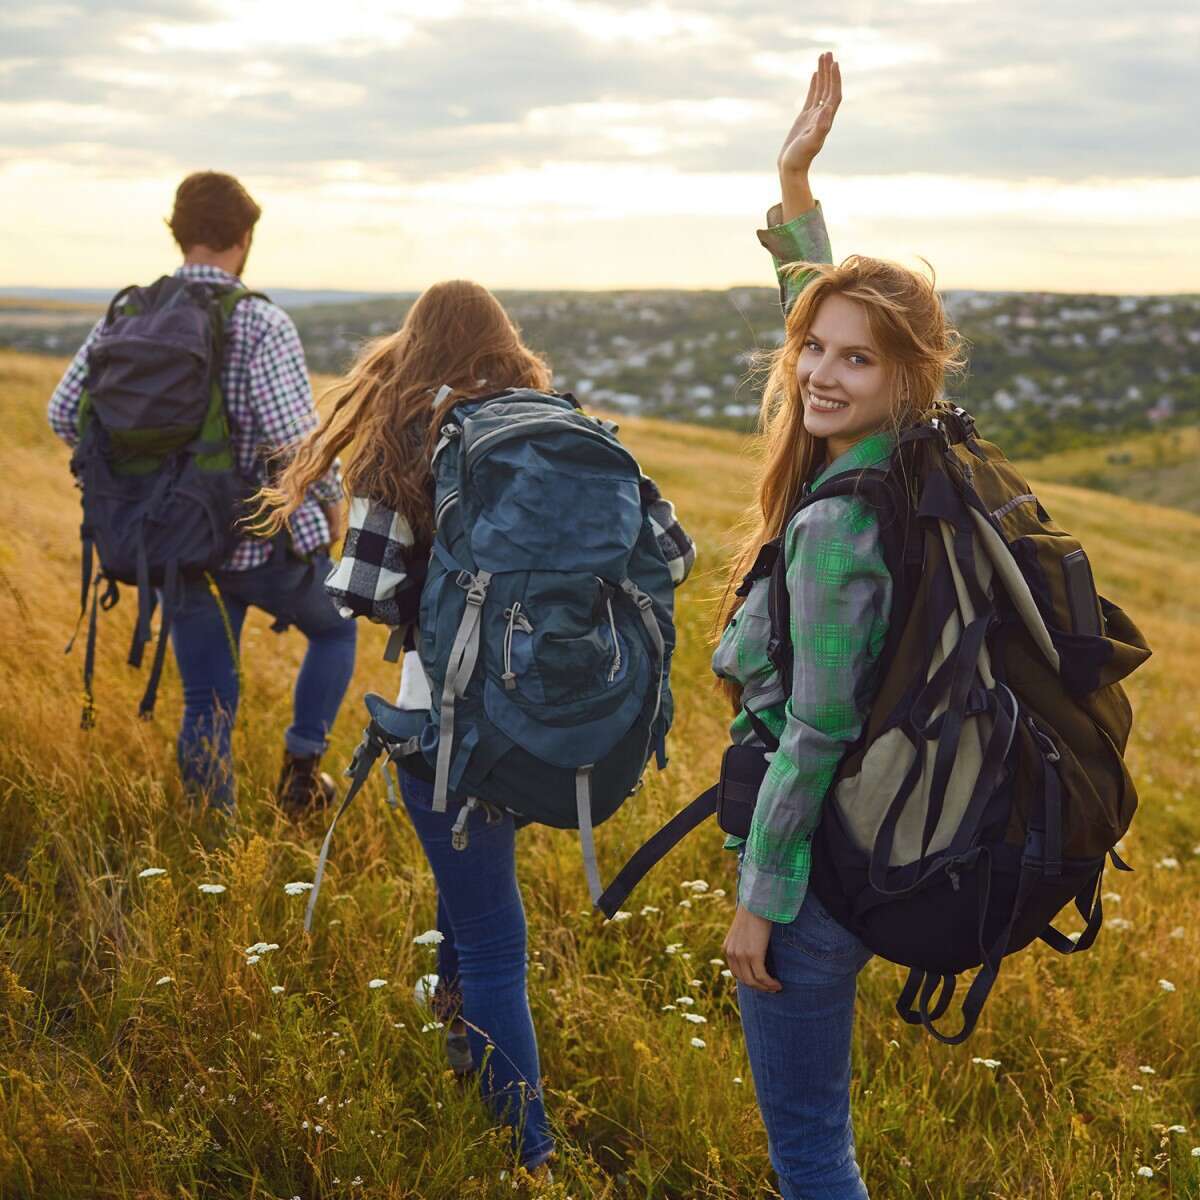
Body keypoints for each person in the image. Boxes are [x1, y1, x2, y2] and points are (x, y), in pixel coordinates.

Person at [258, 278, 695, 1172]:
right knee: (476, 891)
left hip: (445, 727)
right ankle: (462, 1039)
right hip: (550, 716)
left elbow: (366, 595)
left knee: (496, 939)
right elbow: (676, 555)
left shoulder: (405, 443)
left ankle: (528, 1155)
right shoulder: (565, 427)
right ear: (508, 344)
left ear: (415, 347)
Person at [714, 53, 965, 1198]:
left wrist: (759, 902)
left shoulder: (834, 527)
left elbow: (814, 732)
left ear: (902, 374)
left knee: (812, 1153)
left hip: (821, 873)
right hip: (890, 835)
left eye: (853, 359)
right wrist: (796, 181)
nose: (817, 371)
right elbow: (834, 318)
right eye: (812, 348)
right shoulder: (918, 455)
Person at [48, 171, 357, 815]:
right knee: (335, 630)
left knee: (207, 699)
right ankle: (301, 778)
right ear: (245, 239)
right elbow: (295, 440)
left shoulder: (131, 311)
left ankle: (210, 842)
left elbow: (63, 411)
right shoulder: (261, 321)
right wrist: (330, 508)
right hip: (258, 548)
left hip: (173, 544)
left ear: (178, 234)